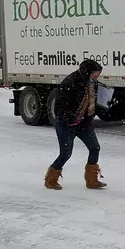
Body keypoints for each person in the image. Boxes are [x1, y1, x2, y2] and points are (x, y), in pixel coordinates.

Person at [44, 58, 106, 190]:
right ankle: (51, 179)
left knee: (95, 148)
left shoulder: (92, 83)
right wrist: (70, 118)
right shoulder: (70, 83)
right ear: (87, 72)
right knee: (65, 153)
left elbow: (93, 102)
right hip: (66, 124)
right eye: (95, 73)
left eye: (98, 73)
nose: (97, 76)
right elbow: (60, 107)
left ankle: (91, 180)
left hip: (84, 123)